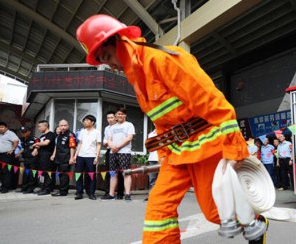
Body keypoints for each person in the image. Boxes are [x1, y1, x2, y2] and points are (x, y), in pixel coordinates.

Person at [76, 15, 260, 243]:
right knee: (158, 210)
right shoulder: (138, 79)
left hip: (206, 146)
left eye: (108, 56)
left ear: (120, 40)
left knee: (215, 213)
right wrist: (163, 154)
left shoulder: (164, 59)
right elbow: (162, 123)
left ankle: (255, 221)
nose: (111, 65)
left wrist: (235, 150)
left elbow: (215, 104)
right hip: (176, 153)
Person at [103, 108, 135, 202]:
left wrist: (118, 147)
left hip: (124, 152)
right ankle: (111, 194)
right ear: (116, 116)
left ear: (125, 115)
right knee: (113, 173)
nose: (120, 116)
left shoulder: (129, 125)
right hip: (113, 152)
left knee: (126, 173)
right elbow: (109, 139)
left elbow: (129, 138)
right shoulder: (112, 127)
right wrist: (113, 147)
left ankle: (127, 194)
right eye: (118, 114)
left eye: (122, 114)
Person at [74, 115, 101, 200]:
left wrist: (97, 157)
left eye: (86, 120)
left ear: (92, 122)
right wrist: (75, 155)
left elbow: (98, 145)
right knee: (78, 174)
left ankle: (91, 193)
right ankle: (79, 192)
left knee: (91, 175)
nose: (84, 122)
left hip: (91, 156)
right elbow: (80, 143)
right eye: (84, 120)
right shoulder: (82, 131)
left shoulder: (97, 132)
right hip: (80, 156)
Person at [51, 120, 76, 196]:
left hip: (66, 158)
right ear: (59, 126)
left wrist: (71, 158)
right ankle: (62, 190)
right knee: (61, 175)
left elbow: (72, 147)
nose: (63, 127)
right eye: (61, 125)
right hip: (58, 158)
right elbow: (56, 146)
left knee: (64, 175)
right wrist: (53, 155)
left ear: (68, 126)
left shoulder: (70, 135)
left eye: (65, 125)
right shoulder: (59, 135)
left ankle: (63, 192)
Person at [0, 122, 19, 193]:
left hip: (7, 156)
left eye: (2, 127)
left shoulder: (10, 133)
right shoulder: (0, 135)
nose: (0, 129)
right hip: (0, 155)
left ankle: (6, 187)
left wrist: (12, 149)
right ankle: (2, 186)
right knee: (1, 172)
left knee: (6, 172)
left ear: (6, 127)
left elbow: (16, 141)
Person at [33, 120, 56, 195]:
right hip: (41, 156)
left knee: (48, 172)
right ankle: (43, 187)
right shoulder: (42, 136)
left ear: (45, 126)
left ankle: (47, 189)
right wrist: (36, 149)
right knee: (42, 173)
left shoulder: (50, 134)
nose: (39, 128)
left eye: (40, 126)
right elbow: (39, 145)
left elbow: (46, 143)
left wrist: (36, 144)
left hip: (47, 155)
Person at [18, 126, 38, 193]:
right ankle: (24, 188)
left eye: (24, 132)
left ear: (29, 132)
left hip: (33, 159)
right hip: (26, 159)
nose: (23, 133)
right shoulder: (23, 139)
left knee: (32, 174)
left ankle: (30, 188)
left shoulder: (34, 139)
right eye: (22, 132)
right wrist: (18, 154)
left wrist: (35, 150)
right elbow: (23, 148)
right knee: (25, 174)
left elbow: (38, 145)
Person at [101, 111, 116, 199]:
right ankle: (107, 192)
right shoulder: (107, 128)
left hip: (117, 151)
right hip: (108, 151)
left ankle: (120, 193)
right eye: (108, 118)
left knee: (117, 173)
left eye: (111, 117)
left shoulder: (118, 127)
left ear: (115, 118)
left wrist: (109, 143)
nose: (110, 120)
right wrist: (107, 143)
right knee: (108, 172)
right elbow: (105, 141)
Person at [144, 129, 159, 202]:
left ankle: (160, 196)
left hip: (162, 158)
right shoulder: (151, 134)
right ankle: (151, 195)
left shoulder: (164, 130)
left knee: (161, 178)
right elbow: (148, 146)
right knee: (152, 179)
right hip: (152, 158)